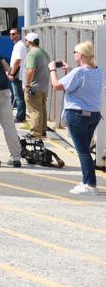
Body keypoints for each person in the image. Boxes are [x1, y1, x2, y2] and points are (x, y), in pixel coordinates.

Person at [49, 41, 102, 195]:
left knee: (82, 151)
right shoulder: (97, 71)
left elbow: (57, 86)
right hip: (94, 114)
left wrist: (52, 70)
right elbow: (84, 83)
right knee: (85, 149)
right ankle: (86, 180)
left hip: (77, 114)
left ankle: (90, 184)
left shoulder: (78, 72)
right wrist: (70, 71)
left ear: (79, 55)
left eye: (74, 52)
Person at [22, 32, 50, 138]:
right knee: (42, 108)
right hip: (43, 87)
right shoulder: (43, 52)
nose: (25, 42)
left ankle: (35, 132)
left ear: (29, 42)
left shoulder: (32, 54)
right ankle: (42, 130)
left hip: (34, 87)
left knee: (34, 110)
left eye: (26, 40)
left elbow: (30, 70)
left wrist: (27, 86)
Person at [7, 27, 28, 123]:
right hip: (16, 72)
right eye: (11, 34)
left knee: (18, 96)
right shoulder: (17, 45)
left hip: (17, 73)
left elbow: (17, 61)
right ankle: (21, 115)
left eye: (14, 34)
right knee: (18, 95)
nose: (12, 36)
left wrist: (11, 73)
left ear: (19, 35)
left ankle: (20, 116)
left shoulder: (19, 46)